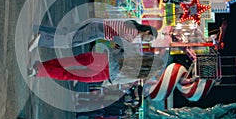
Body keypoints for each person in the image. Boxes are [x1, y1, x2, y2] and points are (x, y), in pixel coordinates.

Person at [27, 45, 164, 84]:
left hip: (102, 59)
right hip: (103, 75)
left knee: (68, 61)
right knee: (67, 75)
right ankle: (38, 71)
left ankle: (40, 67)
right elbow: (117, 81)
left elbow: (119, 46)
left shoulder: (134, 54)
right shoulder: (135, 76)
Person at [28, 18, 158, 51]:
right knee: (69, 41)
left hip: (96, 22)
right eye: (149, 38)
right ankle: (41, 40)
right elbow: (117, 44)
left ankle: (38, 29)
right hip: (97, 31)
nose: (148, 40)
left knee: (65, 31)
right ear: (147, 31)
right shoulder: (132, 35)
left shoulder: (132, 24)